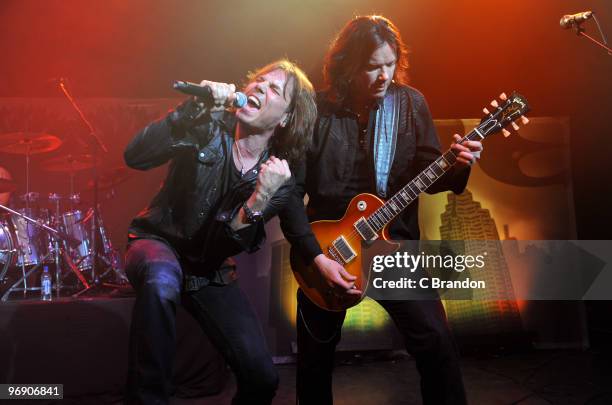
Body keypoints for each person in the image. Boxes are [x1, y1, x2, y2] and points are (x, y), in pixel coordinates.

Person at [279, 16, 486, 405]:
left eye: (390, 64)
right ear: (347, 66)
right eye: (372, 66)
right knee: (314, 360)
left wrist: (460, 164)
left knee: (436, 341)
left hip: (394, 249)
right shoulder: (315, 111)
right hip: (326, 251)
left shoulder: (409, 105)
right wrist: (314, 256)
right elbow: (289, 191)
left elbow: (433, 174)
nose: (383, 75)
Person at [123, 59, 317, 405]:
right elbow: (135, 156)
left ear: (287, 118)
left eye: (274, 89)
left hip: (210, 269)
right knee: (161, 281)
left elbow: (226, 242)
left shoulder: (279, 176)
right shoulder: (207, 125)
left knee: (261, 378)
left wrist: (260, 196)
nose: (259, 87)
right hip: (158, 241)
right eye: (259, 80)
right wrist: (190, 110)